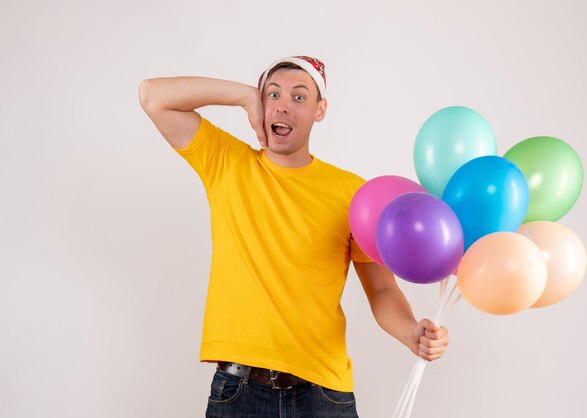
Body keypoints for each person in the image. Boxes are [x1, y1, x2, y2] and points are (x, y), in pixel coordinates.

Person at [139, 56, 449, 418]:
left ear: (321, 110)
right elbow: (152, 96)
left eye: (299, 97)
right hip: (238, 393)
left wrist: (411, 332)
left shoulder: (352, 193)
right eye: (273, 94)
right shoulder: (225, 162)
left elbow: (381, 289)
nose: (284, 104)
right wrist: (243, 95)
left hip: (323, 394)